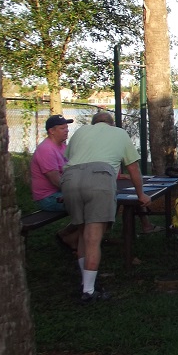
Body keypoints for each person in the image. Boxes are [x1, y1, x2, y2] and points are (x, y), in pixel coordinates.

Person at [61, 111, 150, 303]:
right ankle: (89, 291)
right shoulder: (119, 133)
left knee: (83, 234)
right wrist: (141, 194)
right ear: (112, 124)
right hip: (99, 178)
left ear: (94, 123)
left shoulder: (80, 131)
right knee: (93, 238)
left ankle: (85, 283)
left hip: (70, 179)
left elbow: (69, 158)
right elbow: (133, 168)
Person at [31, 115, 81, 252]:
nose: (66, 130)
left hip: (62, 192)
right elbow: (55, 180)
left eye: (67, 127)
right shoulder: (46, 150)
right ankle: (71, 238)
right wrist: (76, 191)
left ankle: (68, 234)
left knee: (93, 201)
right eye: (62, 128)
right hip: (49, 197)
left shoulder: (63, 147)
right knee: (88, 204)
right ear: (51, 131)